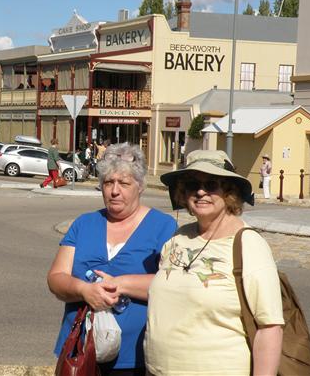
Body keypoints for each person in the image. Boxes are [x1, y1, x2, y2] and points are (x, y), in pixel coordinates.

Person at [144, 150, 284, 376]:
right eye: (191, 185)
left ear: (229, 191)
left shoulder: (247, 244)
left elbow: (270, 328)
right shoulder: (178, 239)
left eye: (211, 184)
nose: (200, 192)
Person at [48, 143, 177, 375]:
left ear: (140, 186)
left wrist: (120, 284)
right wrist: (84, 290)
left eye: (124, 183)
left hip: (135, 357)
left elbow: (172, 284)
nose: (114, 191)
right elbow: (56, 279)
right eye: (108, 182)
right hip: (80, 353)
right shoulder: (83, 224)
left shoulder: (164, 226)